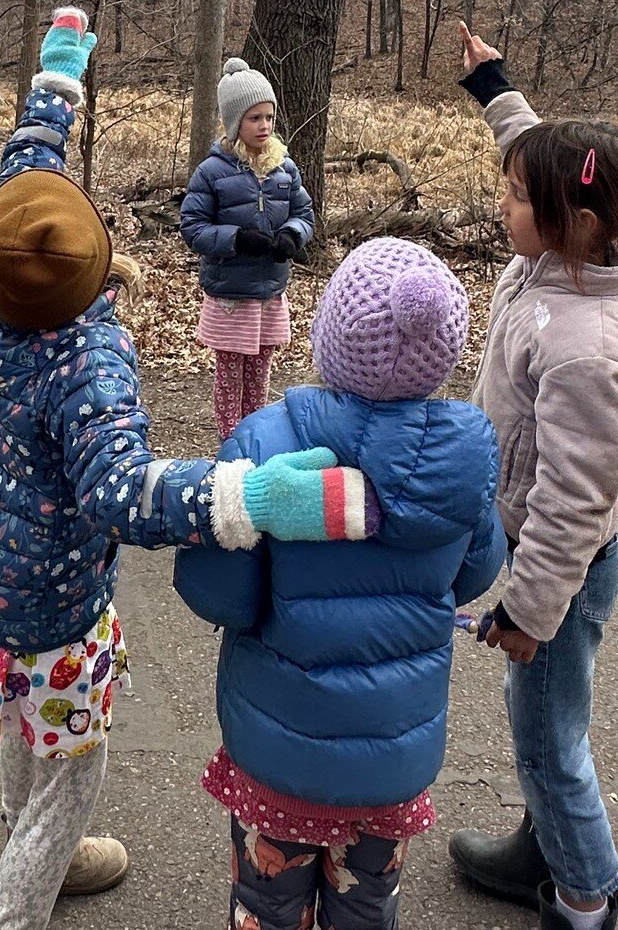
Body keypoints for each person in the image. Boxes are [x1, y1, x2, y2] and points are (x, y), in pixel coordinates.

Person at [0, 10, 380, 930]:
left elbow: (28, 167)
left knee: (14, 714)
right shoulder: (85, 361)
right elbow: (129, 492)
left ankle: (29, 833)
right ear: (96, 278)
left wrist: (57, 77)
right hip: (56, 603)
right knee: (70, 777)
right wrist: (263, 496)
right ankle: (19, 898)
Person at [174, 235, 504, 930]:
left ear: (330, 334)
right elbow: (475, 570)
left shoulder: (264, 443)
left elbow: (220, 592)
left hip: (280, 747)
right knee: (367, 906)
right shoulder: (467, 457)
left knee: (268, 904)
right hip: (393, 754)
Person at [447, 22, 618, 930]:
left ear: (570, 220)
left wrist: (530, 612)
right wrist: (494, 85)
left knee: (548, 741)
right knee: (539, 723)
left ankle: (584, 894)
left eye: (513, 196)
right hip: (543, 543)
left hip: (563, 571)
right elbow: (535, 152)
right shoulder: (562, 252)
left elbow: (575, 502)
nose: (502, 202)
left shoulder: (585, 348)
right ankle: (537, 848)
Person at [180, 56, 315, 439]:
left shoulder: (284, 168)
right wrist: (235, 239)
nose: (265, 126)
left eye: (269, 117)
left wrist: (292, 234)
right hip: (230, 294)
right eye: (255, 118)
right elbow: (192, 227)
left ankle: (255, 440)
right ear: (235, 121)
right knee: (229, 375)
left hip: (269, 291)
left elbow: (304, 211)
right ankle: (230, 442)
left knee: (260, 374)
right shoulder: (212, 171)